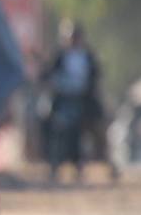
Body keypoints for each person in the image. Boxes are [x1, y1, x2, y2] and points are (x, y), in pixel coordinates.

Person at [43, 19, 115, 180]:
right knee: (54, 127)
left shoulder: (88, 56)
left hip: (85, 100)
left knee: (99, 129)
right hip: (63, 100)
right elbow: (47, 75)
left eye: (76, 36)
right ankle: (54, 166)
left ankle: (110, 166)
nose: (73, 40)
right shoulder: (59, 56)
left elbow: (96, 76)